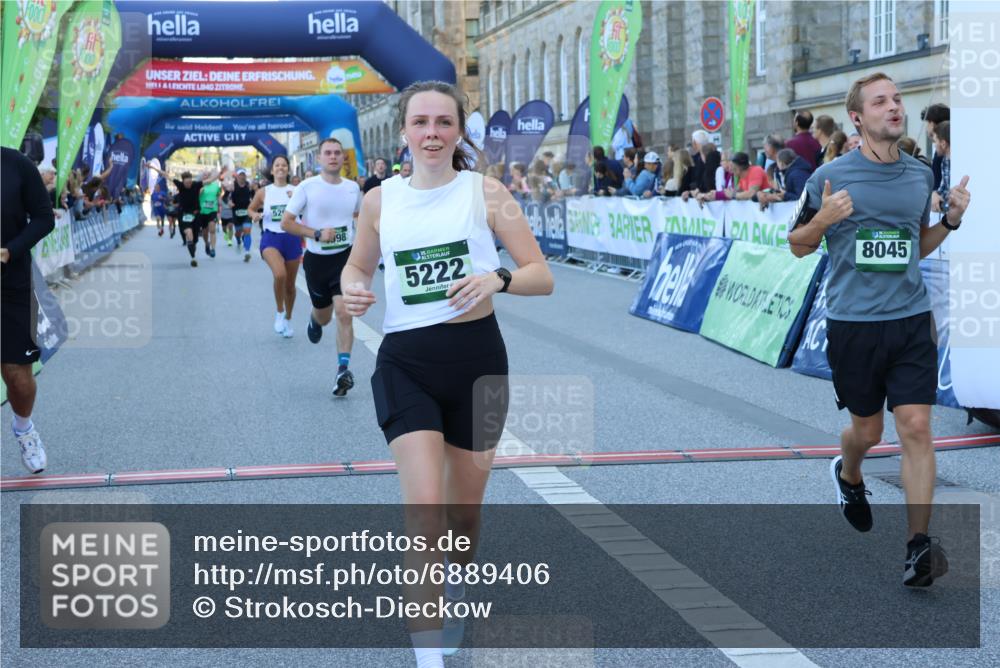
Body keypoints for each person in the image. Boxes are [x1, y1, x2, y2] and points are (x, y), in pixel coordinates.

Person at [341, 80, 553, 667]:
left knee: (463, 515)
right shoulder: (380, 199)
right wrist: (353, 292)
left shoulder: (487, 193)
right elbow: (358, 266)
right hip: (406, 362)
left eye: (442, 122)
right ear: (405, 131)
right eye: (420, 123)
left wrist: (499, 279)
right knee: (426, 510)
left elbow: (542, 272)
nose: (431, 134)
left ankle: (456, 582)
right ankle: (428, 656)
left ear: (459, 130)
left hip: (479, 364)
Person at [787, 72, 971, 588]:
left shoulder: (918, 176)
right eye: (880, 102)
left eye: (896, 99)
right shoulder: (831, 176)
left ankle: (918, 546)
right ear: (857, 118)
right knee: (867, 432)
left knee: (915, 427)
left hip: (911, 321)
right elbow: (797, 245)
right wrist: (823, 218)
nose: (894, 107)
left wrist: (950, 222)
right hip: (854, 325)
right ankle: (848, 474)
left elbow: (915, 247)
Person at [280, 138, 362, 397]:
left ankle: (343, 370)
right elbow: (286, 223)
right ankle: (315, 321)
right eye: (328, 153)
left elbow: (358, 217)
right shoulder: (307, 187)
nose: (334, 157)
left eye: (338, 153)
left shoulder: (352, 188)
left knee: (344, 311)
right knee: (325, 315)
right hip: (317, 262)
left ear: (343, 158)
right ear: (319, 158)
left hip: (345, 259)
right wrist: (315, 233)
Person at [1, 147, 56, 474]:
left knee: (17, 377)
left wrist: (11, 251)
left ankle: (24, 428)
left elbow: (44, 217)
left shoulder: (16, 164)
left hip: (10, 284)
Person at [247, 155, 300, 337]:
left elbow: (308, 211)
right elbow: (251, 208)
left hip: (292, 238)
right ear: (272, 170)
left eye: (284, 165)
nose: (280, 168)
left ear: (288, 169)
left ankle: (288, 318)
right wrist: (254, 215)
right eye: (277, 165)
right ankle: (279, 312)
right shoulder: (264, 192)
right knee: (279, 274)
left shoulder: (297, 190)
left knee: (290, 287)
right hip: (271, 238)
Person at [148, 162, 226, 267]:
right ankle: (193, 258)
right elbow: (166, 175)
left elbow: (210, 180)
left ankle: (194, 249)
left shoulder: (196, 185)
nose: (189, 184)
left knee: (194, 240)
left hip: (196, 215)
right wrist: (153, 167)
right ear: (183, 181)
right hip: (184, 215)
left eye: (190, 181)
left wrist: (220, 173)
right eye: (187, 182)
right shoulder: (180, 185)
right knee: (188, 233)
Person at [920, 103, 949, 188]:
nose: (926, 128)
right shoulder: (942, 148)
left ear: (932, 123)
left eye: (928, 123)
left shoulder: (943, 151)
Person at [230, 168, 255, 262]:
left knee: (247, 231)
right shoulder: (233, 186)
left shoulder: (249, 186)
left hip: (247, 212)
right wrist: (229, 202)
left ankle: (247, 252)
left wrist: (253, 203)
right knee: (238, 232)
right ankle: (238, 241)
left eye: (243, 175)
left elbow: (254, 197)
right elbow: (226, 197)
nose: (242, 177)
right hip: (236, 213)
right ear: (237, 176)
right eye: (240, 175)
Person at [198, 171, 223, 257]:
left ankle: (213, 249)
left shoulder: (215, 186)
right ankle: (206, 243)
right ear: (202, 177)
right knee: (205, 232)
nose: (206, 176)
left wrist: (220, 206)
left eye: (208, 175)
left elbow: (218, 196)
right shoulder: (199, 186)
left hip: (213, 211)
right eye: (204, 175)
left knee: (212, 230)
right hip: (202, 212)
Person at [930, 121, 951, 214]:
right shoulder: (944, 161)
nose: (934, 145)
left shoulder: (956, 164)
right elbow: (943, 188)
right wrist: (934, 194)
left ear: (943, 143)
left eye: (935, 141)